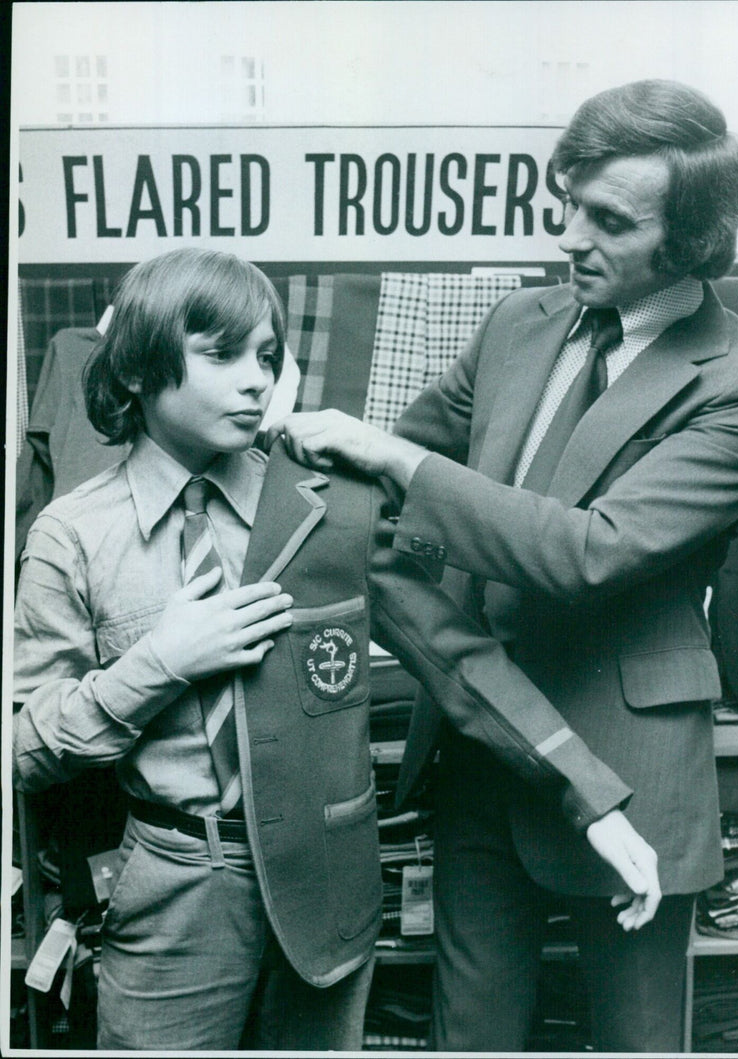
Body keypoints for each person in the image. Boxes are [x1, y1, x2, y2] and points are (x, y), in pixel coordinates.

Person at [13, 247, 660, 1052]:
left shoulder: (323, 508)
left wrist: (589, 797)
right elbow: (25, 749)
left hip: (328, 894)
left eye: (268, 357)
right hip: (172, 897)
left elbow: (460, 662)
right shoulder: (70, 537)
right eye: (223, 355)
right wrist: (160, 662)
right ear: (141, 369)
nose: (257, 380)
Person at [268, 80, 738, 1052]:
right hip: (479, 747)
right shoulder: (518, 324)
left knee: (640, 1044)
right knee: (469, 1038)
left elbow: (586, 552)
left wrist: (396, 463)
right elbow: (388, 489)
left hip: (627, 761)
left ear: (687, 241)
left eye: (604, 219)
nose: (566, 235)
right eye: (564, 202)